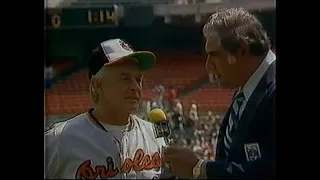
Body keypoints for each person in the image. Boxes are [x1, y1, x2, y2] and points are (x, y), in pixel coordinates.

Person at [163, 8, 275, 179]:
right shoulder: (245, 90)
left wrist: (201, 169)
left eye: (214, 56)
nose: (208, 66)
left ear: (242, 51)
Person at [45, 38, 171, 179]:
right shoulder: (60, 139)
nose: (135, 87)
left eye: (138, 79)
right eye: (125, 78)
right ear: (97, 85)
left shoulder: (154, 136)